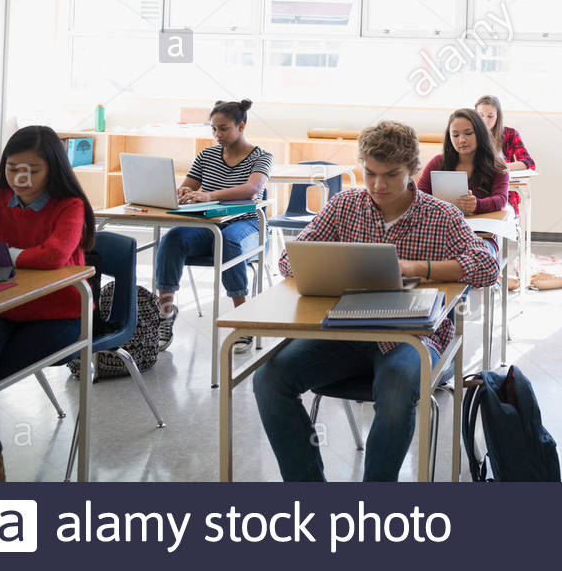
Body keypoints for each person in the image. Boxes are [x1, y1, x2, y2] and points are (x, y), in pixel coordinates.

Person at [253, 121, 498, 481]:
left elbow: (486, 266)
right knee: (269, 379)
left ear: (413, 170)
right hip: (345, 332)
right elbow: (290, 260)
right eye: (369, 173)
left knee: (397, 388)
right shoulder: (345, 205)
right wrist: (337, 269)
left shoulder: (441, 215)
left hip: (412, 337)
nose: (378, 185)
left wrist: (420, 268)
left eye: (391, 175)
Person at [0, 125, 95, 481]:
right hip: (8, 310)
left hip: (62, 315)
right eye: (12, 168)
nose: (20, 178)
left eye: (32, 170)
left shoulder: (69, 205)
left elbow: (55, 255)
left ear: (53, 169)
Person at [154, 99, 271, 353]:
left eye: (224, 129)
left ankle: (244, 320)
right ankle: (165, 314)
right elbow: (188, 185)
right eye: (213, 129)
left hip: (248, 225)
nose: (217, 135)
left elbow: (253, 189)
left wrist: (209, 195)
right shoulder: (207, 155)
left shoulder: (262, 157)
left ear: (241, 125)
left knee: (229, 240)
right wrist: (185, 191)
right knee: (173, 238)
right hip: (210, 225)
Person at [417, 109, 509, 217]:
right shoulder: (438, 162)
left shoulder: (497, 165)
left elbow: (501, 199)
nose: (462, 140)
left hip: (480, 227)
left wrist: (477, 205)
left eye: (468, 133)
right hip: (444, 224)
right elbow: (419, 195)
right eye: (455, 135)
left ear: (480, 133)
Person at [475, 94, 535, 217]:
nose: (485, 120)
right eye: (480, 116)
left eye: (490, 116)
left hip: (505, 193)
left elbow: (528, 163)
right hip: (476, 191)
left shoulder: (510, 134)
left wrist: (502, 166)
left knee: (505, 216)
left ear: (498, 116)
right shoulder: (470, 134)